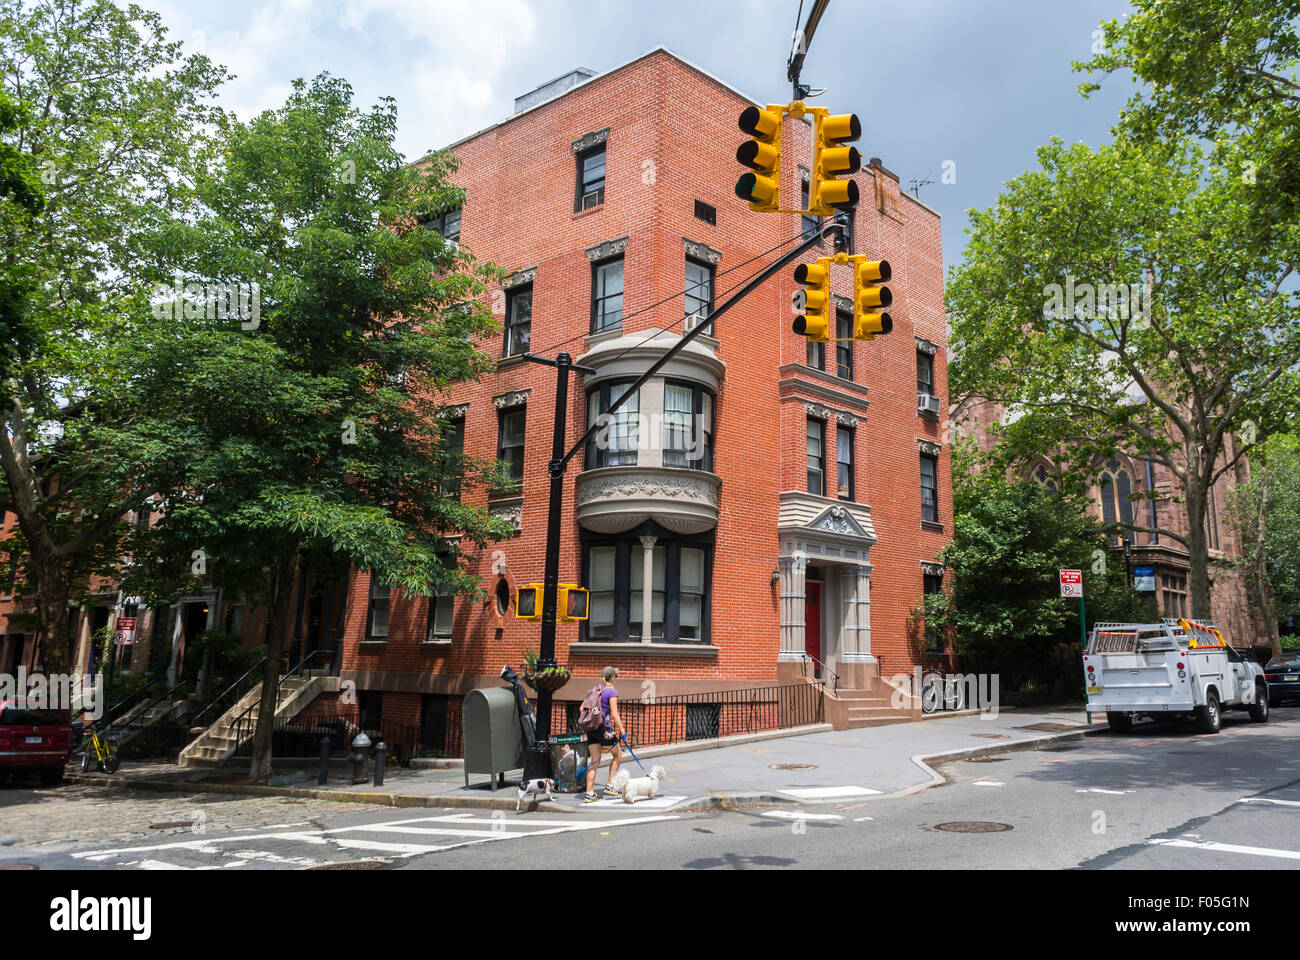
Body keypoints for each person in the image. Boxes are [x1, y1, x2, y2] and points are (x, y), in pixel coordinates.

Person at [583, 666, 625, 803]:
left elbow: (581, 708)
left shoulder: (595, 690)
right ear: (612, 677)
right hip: (604, 729)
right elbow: (614, 713)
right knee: (617, 755)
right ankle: (610, 785)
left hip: (591, 729)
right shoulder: (611, 691)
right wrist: (622, 731)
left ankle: (589, 793)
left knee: (594, 760)